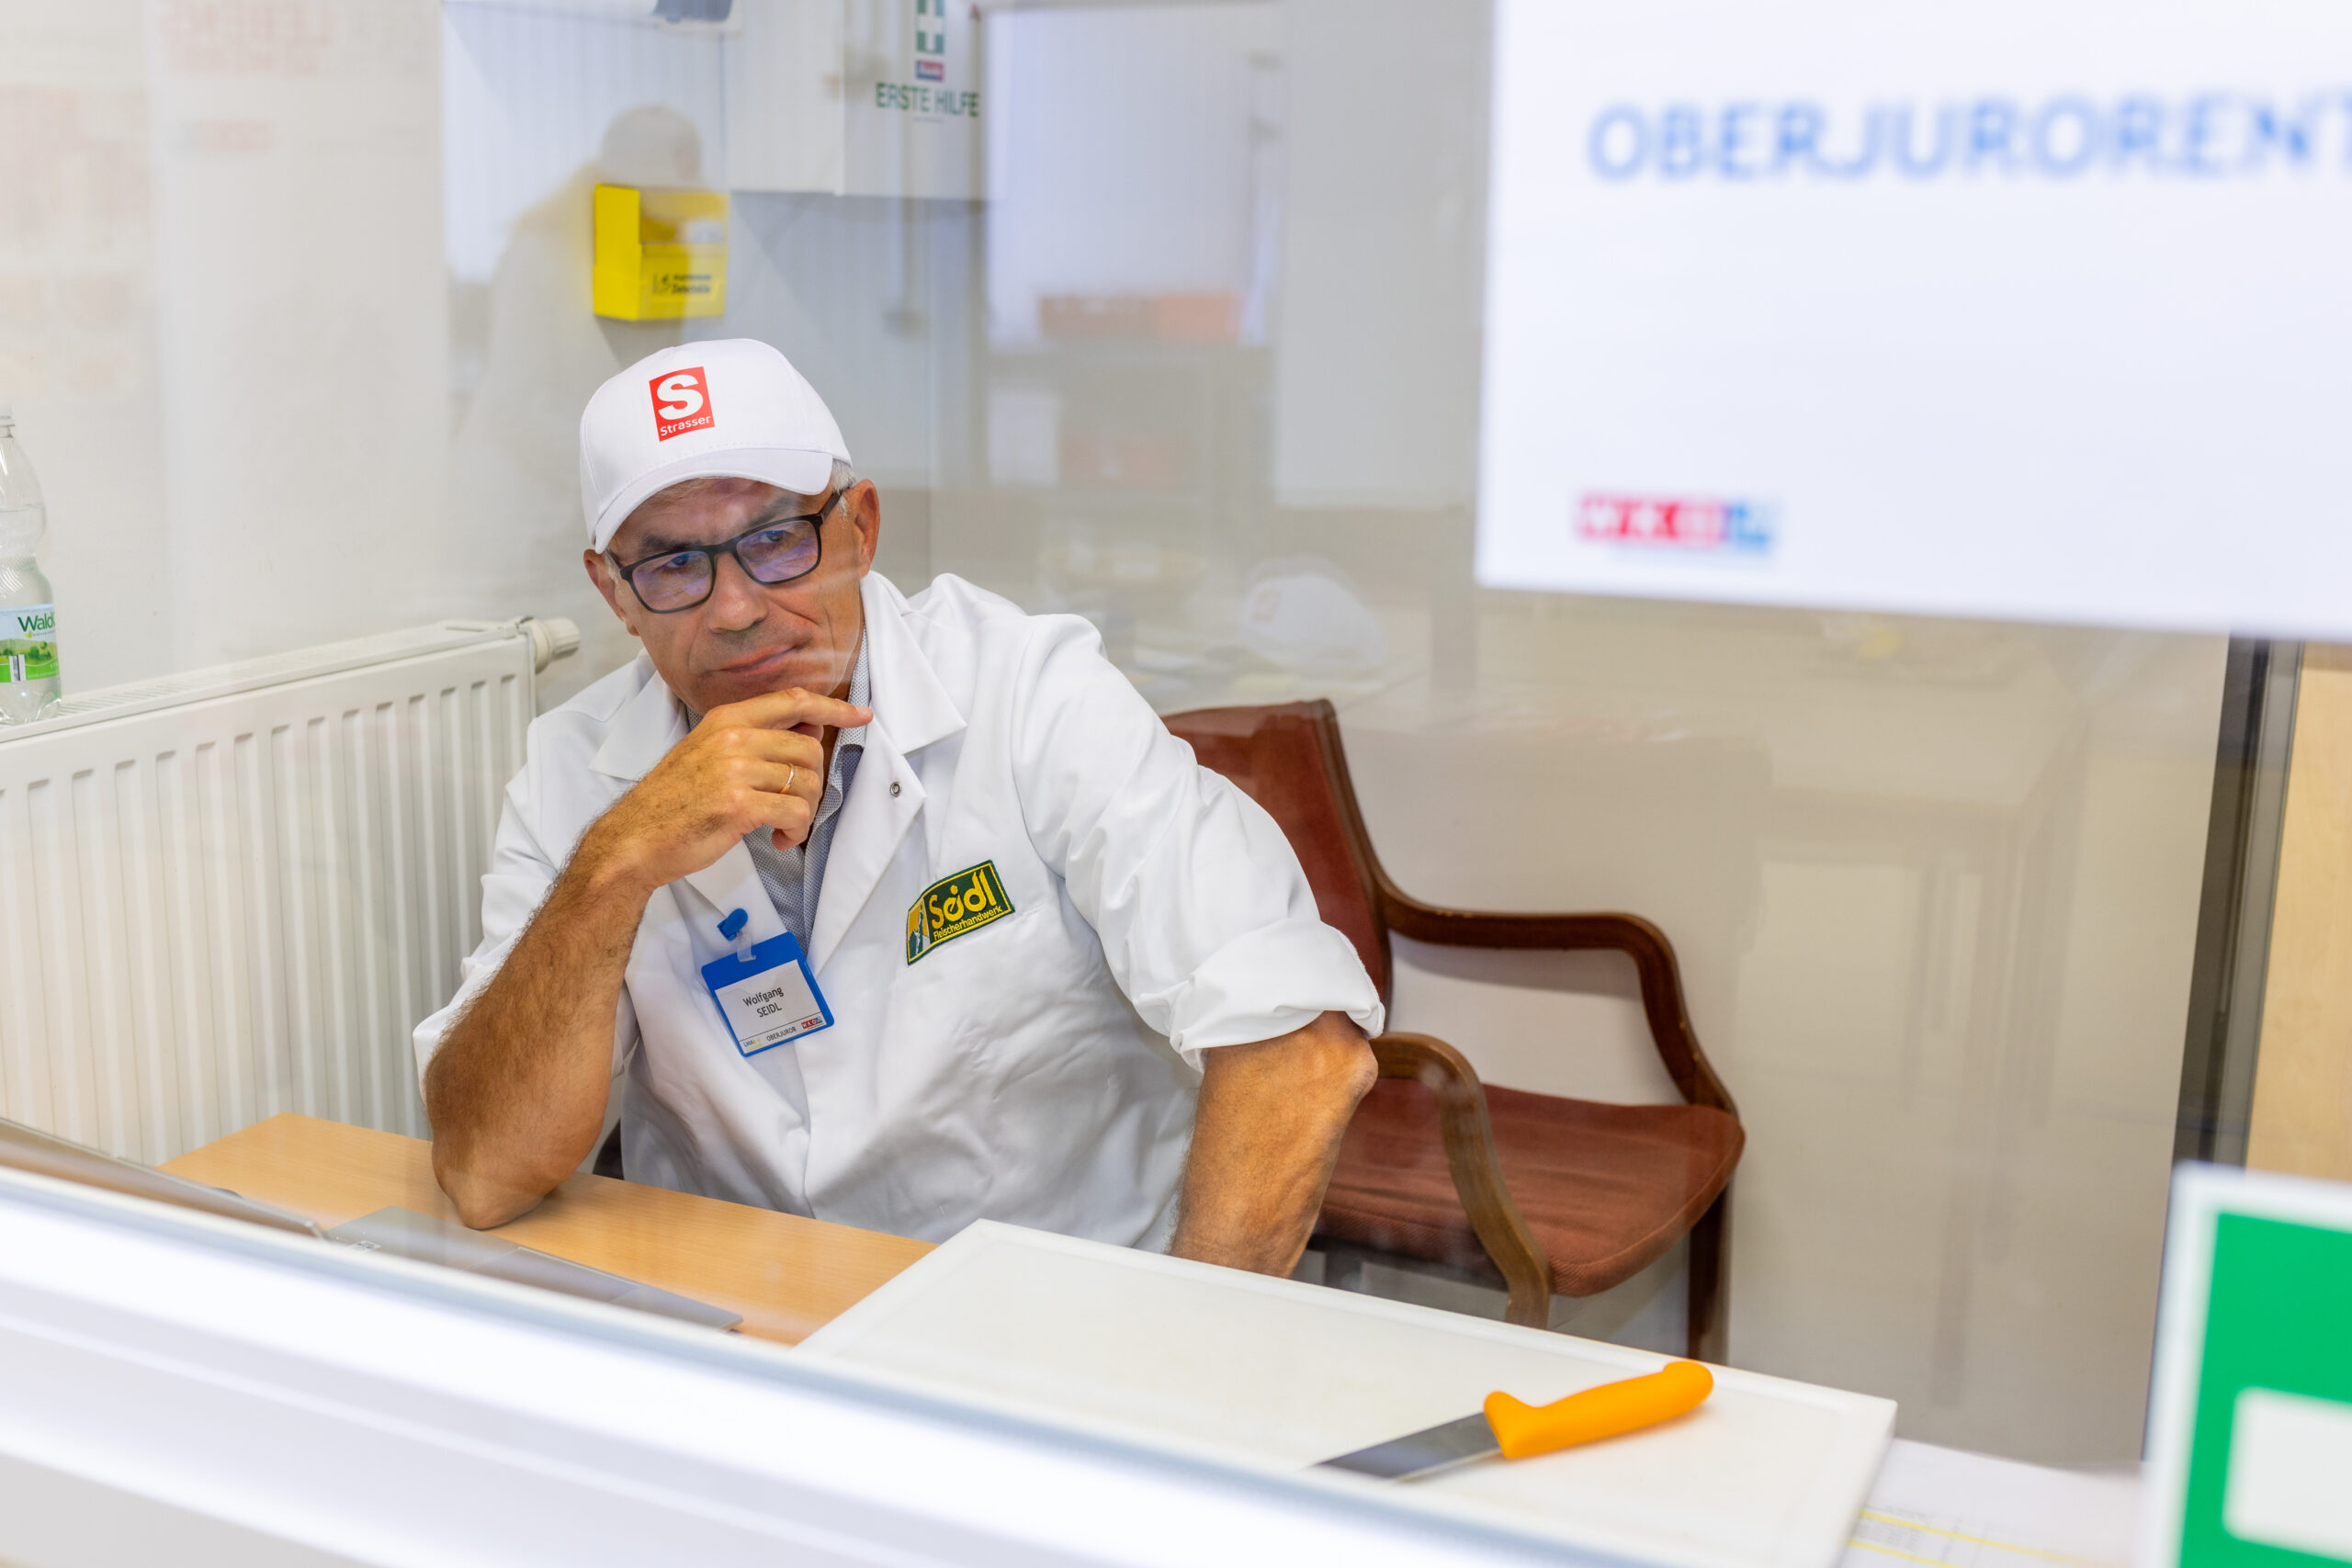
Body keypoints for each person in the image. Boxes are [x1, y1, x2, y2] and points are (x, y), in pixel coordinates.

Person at [413, 338, 1382, 1274]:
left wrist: (1175, 1358)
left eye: (776, 540)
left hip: (1051, 1317)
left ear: (861, 528)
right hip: (745, 1317)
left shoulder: (1029, 694)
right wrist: (615, 865)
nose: (736, 608)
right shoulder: (577, 769)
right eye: (673, 566)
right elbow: (487, 1173)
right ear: (613, 595)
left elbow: (1300, 1052)